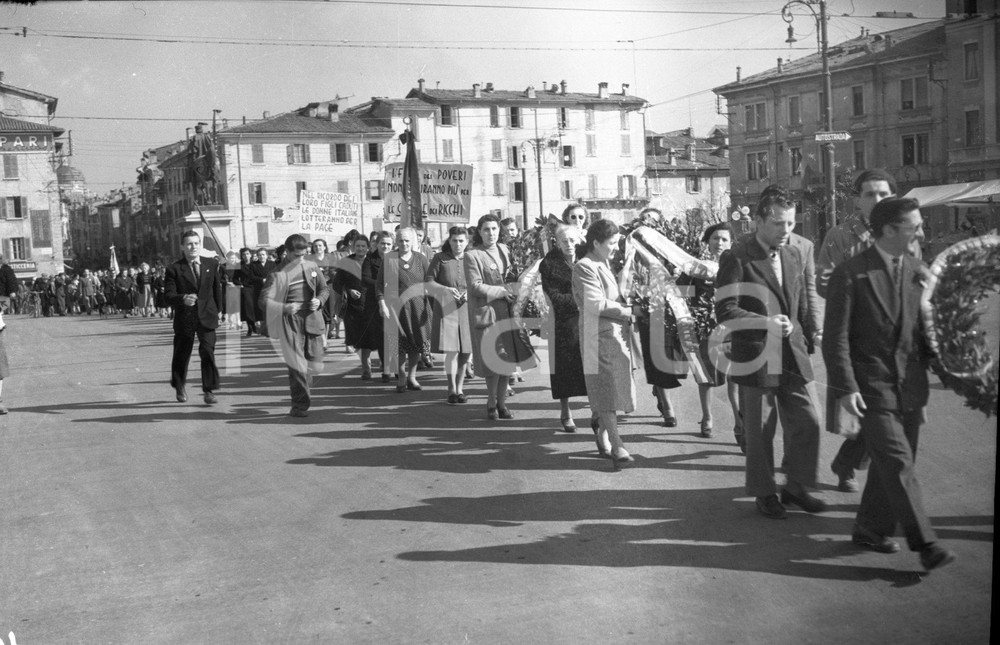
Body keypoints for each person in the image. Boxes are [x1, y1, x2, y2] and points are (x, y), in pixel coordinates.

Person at [823, 197, 955, 571]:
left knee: (892, 463)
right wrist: (846, 388)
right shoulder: (850, 274)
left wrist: (952, 370)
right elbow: (835, 340)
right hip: (871, 389)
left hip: (911, 387)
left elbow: (925, 333)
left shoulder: (917, 270)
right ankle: (926, 543)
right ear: (889, 230)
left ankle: (869, 527)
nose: (921, 231)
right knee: (898, 464)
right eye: (914, 226)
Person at [715, 185, 825, 519]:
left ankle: (796, 487)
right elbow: (726, 310)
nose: (786, 231)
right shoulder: (736, 256)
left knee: (809, 421)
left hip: (791, 353)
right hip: (757, 355)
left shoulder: (793, 253)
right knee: (761, 432)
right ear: (759, 221)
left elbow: (801, 301)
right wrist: (765, 322)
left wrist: (805, 333)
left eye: (791, 224)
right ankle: (765, 493)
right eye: (779, 224)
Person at [817, 169, 912, 493]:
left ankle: (847, 463)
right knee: (865, 413)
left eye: (883, 194)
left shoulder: (904, 232)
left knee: (884, 416)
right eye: (869, 194)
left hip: (894, 341)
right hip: (855, 339)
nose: (877, 200)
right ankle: (848, 467)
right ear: (857, 199)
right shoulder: (840, 236)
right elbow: (823, 282)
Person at [573, 218, 637, 466]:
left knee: (610, 389)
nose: (615, 247)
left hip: (614, 335)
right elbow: (595, 304)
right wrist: (629, 310)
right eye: (611, 243)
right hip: (595, 336)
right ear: (596, 243)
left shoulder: (603, 262)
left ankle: (601, 431)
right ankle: (618, 446)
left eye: (617, 242)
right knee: (607, 389)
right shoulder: (584, 266)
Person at [465, 214, 537, 419]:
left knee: (507, 358)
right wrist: (501, 291)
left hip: (508, 312)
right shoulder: (473, 255)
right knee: (492, 359)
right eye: (486, 229)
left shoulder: (505, 250)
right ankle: (490, 401)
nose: (491, 233)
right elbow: (475, 285)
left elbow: (516, 274)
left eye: (495, 229)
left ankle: (502, 403)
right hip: (488, 313)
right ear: (479, 231)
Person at [677, 222, 741, 439]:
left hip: (732, 328)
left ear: (731, 242)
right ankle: (707, 417)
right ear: (707, 242)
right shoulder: (696, 267)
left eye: (724, 239)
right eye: (715, 238)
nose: (719, 243)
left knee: (734, 377)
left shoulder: (736, 264)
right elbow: (679, 291)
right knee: (706, 377)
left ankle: (739, 422)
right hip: (705, 329)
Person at [260, 234, 329, 417]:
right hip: (289, 323)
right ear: (288, 252)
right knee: (297, 366)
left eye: (304, 254)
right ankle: (299, 405)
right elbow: (263, 301)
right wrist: (284, 308)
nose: (301, 259)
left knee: (314, 364)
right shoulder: (277, 274)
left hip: (312, 318)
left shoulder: (311, 266)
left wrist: (319, 301)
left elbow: (324, 289)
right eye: (297, 255)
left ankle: (303, 389)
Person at [539, 218, 590, 432]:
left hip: (590, 321)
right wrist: (583, 301)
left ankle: (597, 411)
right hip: (564, 322)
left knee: (591, 368)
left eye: (571, 239)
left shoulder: (588, 259)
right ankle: (565, 411)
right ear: (557, 242)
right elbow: (554, 297)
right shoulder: (549, 264)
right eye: (563, 240)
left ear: (578, 239)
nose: (568, 243)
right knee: (564, 369)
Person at [164, 230, 223, 405]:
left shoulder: (211, 264)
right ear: (182, 246)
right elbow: (167, 295)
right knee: (182, 354)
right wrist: (182, 299)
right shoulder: (174, 269)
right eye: (189, 244)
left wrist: (219, 311)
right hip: (185, 317)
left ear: (200, 245)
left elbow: (216, 289)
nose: (193, 247)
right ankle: (179, 385)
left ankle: (209, 390)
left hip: (207, 315)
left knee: (207, 351)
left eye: (196, 243)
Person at [377, 227, 432, 394]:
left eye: (407, 240)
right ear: (396, 241)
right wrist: (382, 304)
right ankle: (401, 377)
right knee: (399, 345)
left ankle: (412, 377)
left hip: (418, 306)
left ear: (412, 241)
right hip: (396, 308)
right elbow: (379, 284)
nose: (404, 243)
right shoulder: (389, 259)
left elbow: (429, 280)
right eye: (400, 240)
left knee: (416, 343)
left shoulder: (421, 259)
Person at [425, 226, 473, 404]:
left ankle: (460, 389)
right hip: (448, 310)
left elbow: (480, 281)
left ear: (467, 242)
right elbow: (428, 282)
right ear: (449, 241)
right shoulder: (440, 258)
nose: (458, 244)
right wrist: (445, 290)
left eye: (461, 241)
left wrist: (470, 292)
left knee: (466, 352)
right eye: (454, 240)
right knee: (452, 352)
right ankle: (451, 389)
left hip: (468, 309)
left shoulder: (472, 258)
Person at [332, 236, 372, 378]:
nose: (360, 249)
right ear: (353, 247)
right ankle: (366, 366)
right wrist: (348, 291)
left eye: (363, 246)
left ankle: (375, 365)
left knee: (372, 336)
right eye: (358, 246)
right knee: (358, 338)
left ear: (368, 247)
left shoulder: (375, 260)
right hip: (353, 306)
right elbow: (337, 284)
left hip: (372, 303)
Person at [361, 232, 393, 382]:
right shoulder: (370, 259)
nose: (385, 246)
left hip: (395, 301)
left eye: (388, 244)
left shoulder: (397, 257)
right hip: (376, 302)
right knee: (382, 336)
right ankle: (386, 367)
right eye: (383, 243)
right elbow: (366, 278)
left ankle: (396, 367)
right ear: (377, 244)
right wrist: (382, 285)